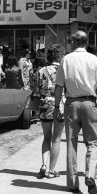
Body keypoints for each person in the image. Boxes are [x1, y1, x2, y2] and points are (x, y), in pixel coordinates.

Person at [54, 31, 97, 194]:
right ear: (85, 42)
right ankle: (90, 174)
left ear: (75, 42)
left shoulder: (66, 59)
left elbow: (58, 86)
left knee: (71, 143)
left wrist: (57, 106)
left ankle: (72, 183)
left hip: (71, 104)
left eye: (71, 41)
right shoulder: (94, 59)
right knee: (93, 142)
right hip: (90, 103)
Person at [36, 44, 66, 179]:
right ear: (61, 56)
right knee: (57, 139)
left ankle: (43, 165)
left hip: (44, 105)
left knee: (46, 137)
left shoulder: (41, 71)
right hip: (60, 106)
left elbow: (36, 90)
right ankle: (51, 170)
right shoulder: (64, 70)